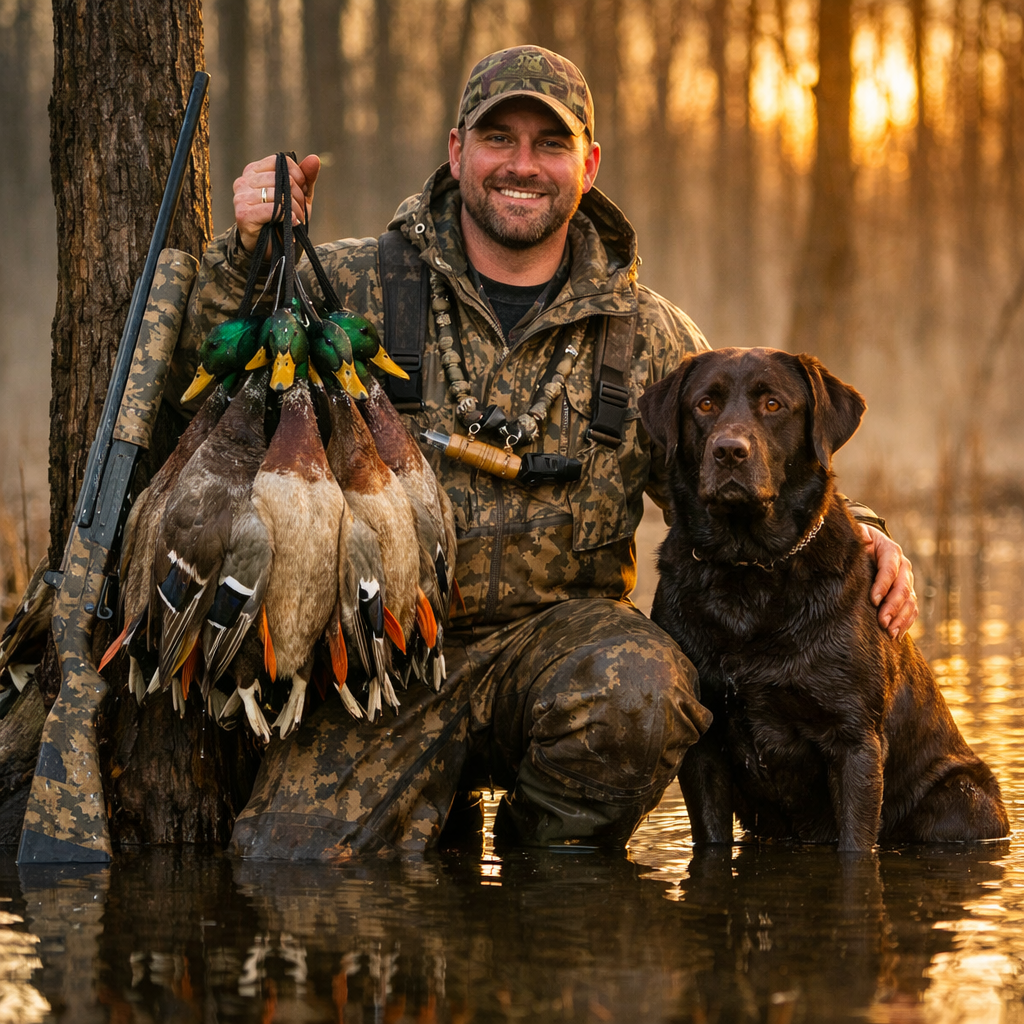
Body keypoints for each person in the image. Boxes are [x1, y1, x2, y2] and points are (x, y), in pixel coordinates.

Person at [184, 45, 917, 857]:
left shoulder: (651, 338)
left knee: (645, 686)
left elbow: (749, 479)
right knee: (286, 863)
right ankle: (435, 822)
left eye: (551, 143)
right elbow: (208, 371)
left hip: (565, 665)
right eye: (499, 138)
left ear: (589, 164)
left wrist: (871, 535)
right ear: (457, 150)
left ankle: (543, 879)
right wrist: (250, 246)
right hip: (383, 671)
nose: (523, 165)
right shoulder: (352, 288)